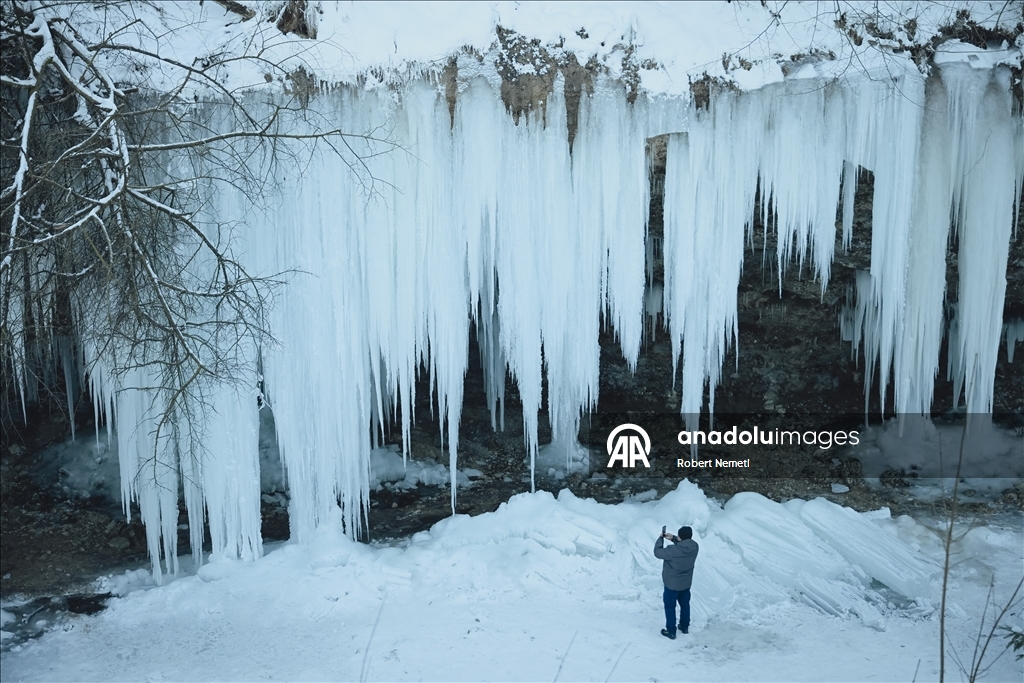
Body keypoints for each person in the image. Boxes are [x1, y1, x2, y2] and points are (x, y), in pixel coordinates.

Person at [654, 525, 699, 639]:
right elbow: (683, 547)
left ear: (681, 537)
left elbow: (657, 552)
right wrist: (673, 538)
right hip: (686, 583)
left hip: (672, 584)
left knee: (670, 606)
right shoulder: (695, 546)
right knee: (685, 604)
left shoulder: (672, 551)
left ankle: (671, 631)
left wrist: (661, 539)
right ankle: (684, 626)